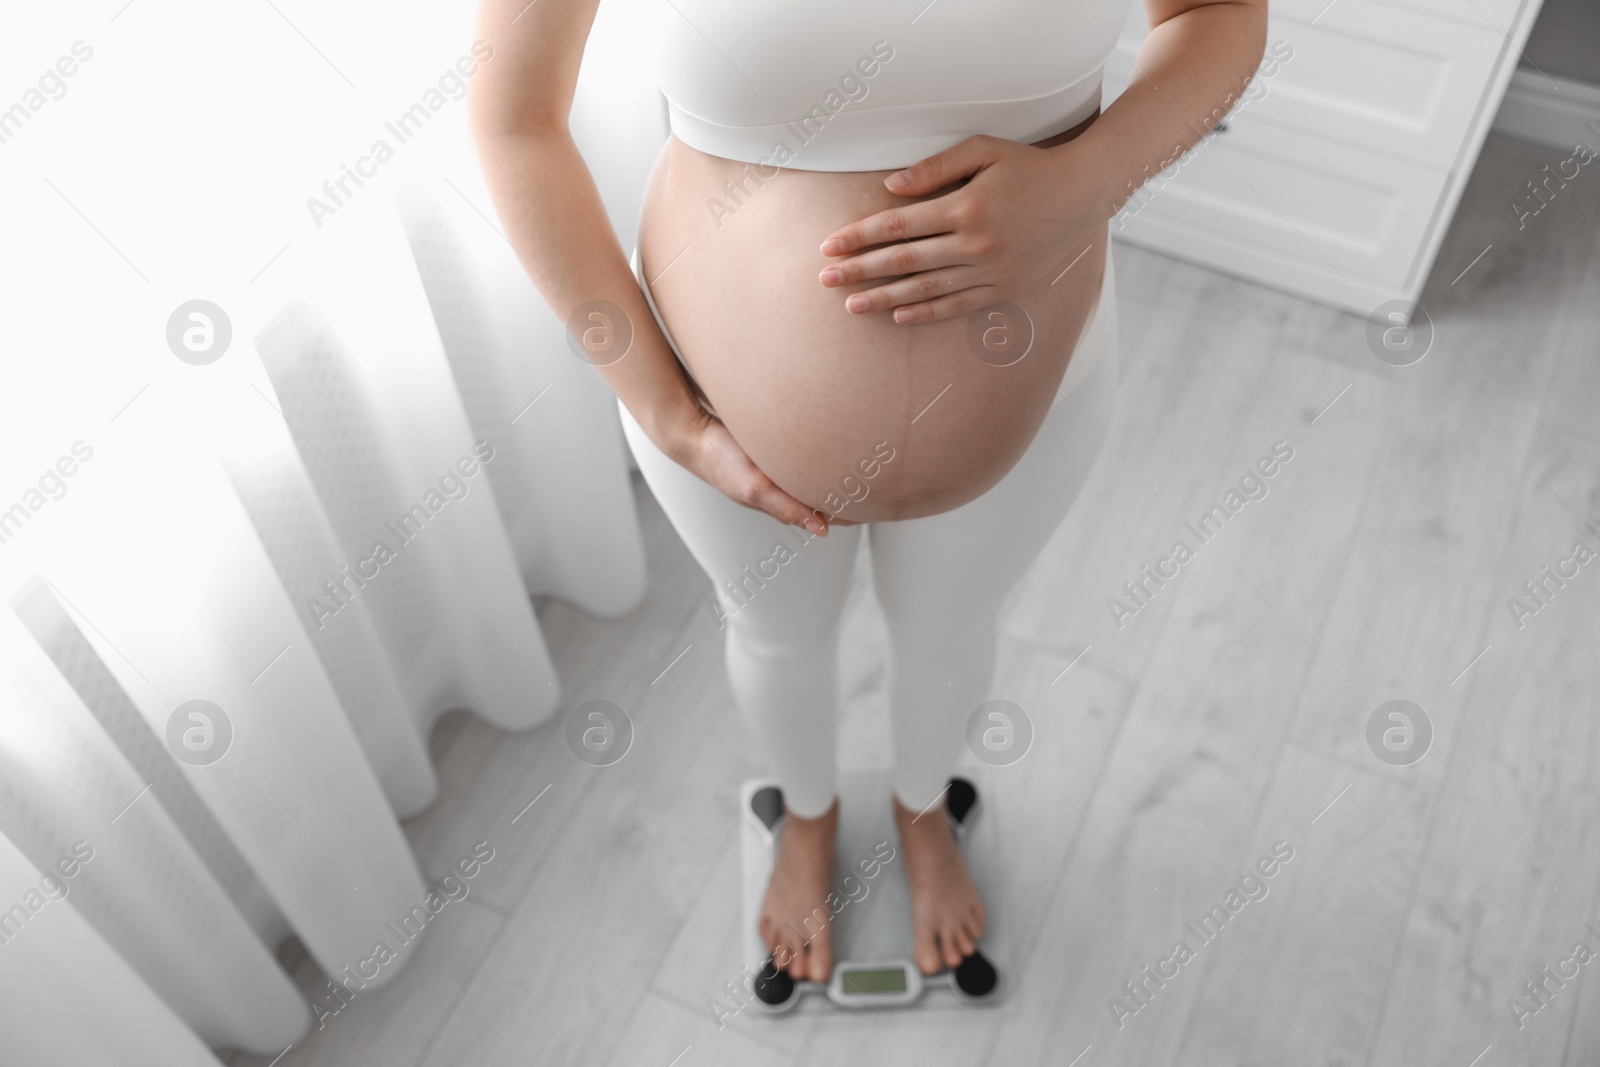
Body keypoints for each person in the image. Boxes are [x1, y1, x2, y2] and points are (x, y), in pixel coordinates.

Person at [471, 0, 1266, 985]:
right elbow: (516, 124)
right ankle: (806, 819)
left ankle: (922, 809)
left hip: (1039, 385)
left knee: (951, 632)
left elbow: (1218, 14)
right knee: (774, 634)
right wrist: (669, 415)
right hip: (711, 408)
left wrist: (1085, 181)